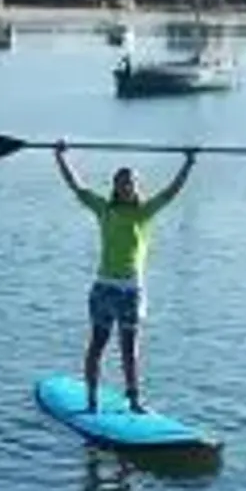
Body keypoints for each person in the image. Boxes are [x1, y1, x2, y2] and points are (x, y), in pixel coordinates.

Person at [53, 143, 197, 413]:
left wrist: (188, 165)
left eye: (129, 183)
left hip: (132, 290)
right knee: (97, 346)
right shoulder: (104, 209)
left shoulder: (144, 212)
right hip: (104, 289)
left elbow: (171, 192)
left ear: (135, 186)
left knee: (130, 350)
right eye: (121, 183)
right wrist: (60, 156)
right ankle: (91, 400)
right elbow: (76, 186)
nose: (125, 187)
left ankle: (134, 400)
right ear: (115, 186)